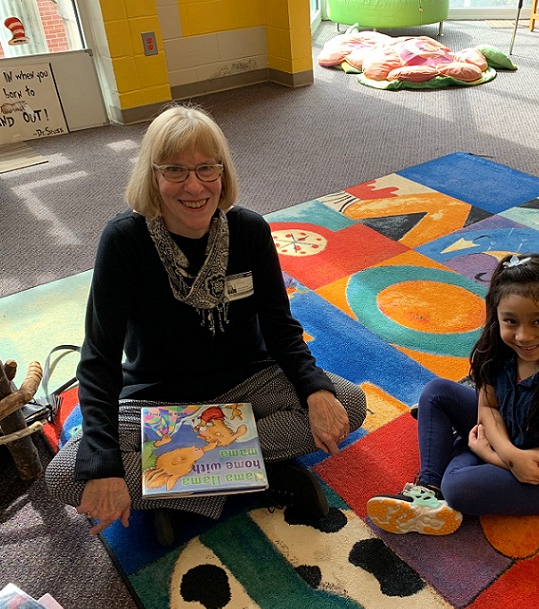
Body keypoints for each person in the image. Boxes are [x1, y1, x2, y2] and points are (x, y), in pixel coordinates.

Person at [45, 104, 367, 545]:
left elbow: (280, 328)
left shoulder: (250, 230)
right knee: (67, 475)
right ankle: (257, 474)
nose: (194, 186)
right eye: (175, 170)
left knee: (347, 402)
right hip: (157, 399)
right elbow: (99, 358)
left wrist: (314, 389)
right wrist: (102, 464)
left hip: (248, 383)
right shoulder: (124, 239)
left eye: (206, 169)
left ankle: (175, 492)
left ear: (222, 172)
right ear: (152, 177)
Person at [366, 253, 539, 535]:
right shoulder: (496, 352)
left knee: (457, 487)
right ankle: (428, 489)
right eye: (511, 321)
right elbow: (489, 407)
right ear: (497, 316)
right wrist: (504, 448)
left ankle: (453, 459)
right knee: (436, 391)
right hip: (503, 434)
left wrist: (489, 452)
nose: (523, 336)